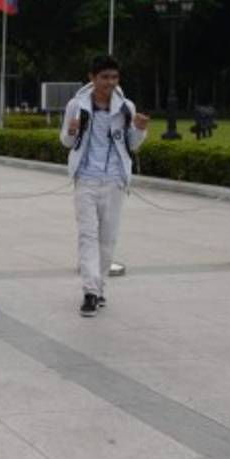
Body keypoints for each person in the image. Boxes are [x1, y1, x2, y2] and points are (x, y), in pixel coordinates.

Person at [60, 55, 149, 317]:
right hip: (86, 178)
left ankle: (99, 288)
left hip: (114, 179)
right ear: (92, 78)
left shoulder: (125, 107)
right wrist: (72, 130)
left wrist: (140, 130)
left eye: (114, 77)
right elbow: (66, 141)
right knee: (87, 235)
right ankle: (90, 291)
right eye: (104, 77)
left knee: (108, 238)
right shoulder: (76, 105)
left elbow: (131, 144)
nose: (110, 82)